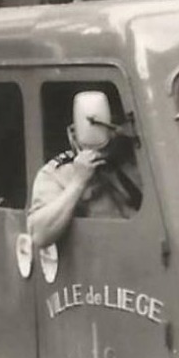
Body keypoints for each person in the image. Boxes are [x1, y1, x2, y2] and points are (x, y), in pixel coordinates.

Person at [28, 90, 142, 250]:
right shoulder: (57, 173)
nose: (114, 132)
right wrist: (78, 182)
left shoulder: (136, 159)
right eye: (100, 125)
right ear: (75, 131)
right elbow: (39, 235)